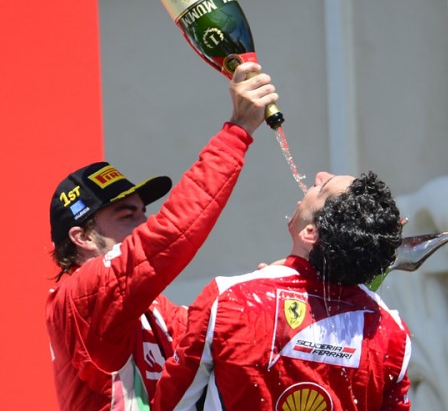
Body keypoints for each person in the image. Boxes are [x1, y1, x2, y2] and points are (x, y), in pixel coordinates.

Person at [46, 62, 278, 411]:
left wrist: (269, 291)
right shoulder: (78, 299)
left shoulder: (158, 314)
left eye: (143, 211)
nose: (145, 222)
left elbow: (221, 337)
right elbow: (168, 233)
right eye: (127, 215)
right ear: (82, 237)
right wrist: (239, 129)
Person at [153, 171, 412, 410]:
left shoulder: (230, 298)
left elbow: (173, 404)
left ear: (310, 233)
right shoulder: (390, 332)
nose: (319, 175)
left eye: (322, 187)